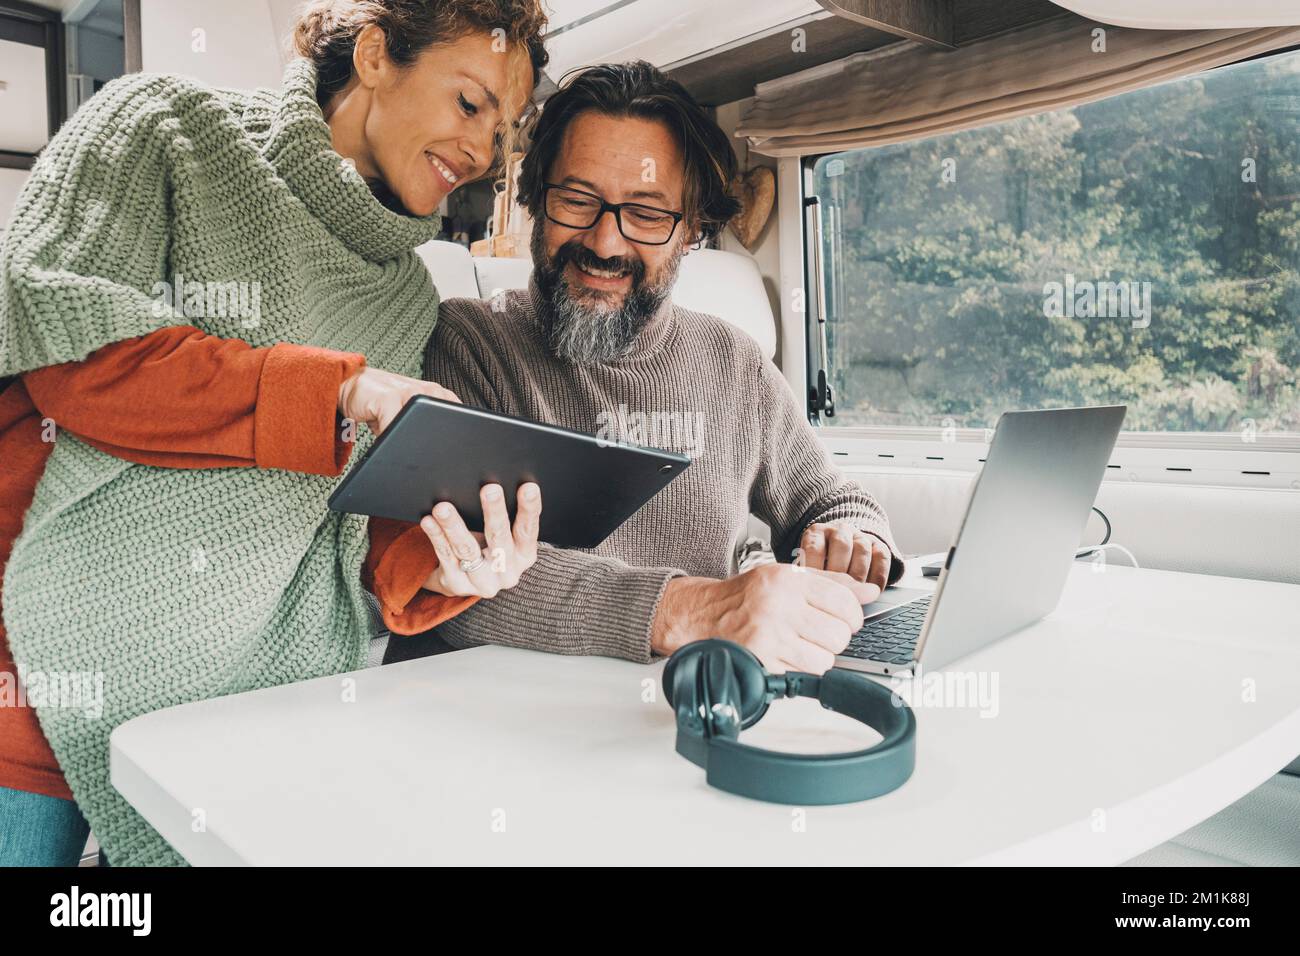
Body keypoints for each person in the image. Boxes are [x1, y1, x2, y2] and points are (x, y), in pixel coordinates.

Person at [0, 0, 548, 867]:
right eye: (470, 103)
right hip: (36, 672)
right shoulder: (165, 124)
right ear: (375, 56)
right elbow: (71, 343)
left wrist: (446, 566)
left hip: (242, 712)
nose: (483, 151)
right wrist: (340, 391)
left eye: (505, 131)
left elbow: (338, 523)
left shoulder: (407, 296)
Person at [382, 61, 904, 676]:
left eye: (648, 214)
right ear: (535, 207)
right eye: (577, 200)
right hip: (488, 719)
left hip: (677, 714)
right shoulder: (469, 342)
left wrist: (853, 535)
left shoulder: (734, 362)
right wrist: (691, 609)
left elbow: (830, 499)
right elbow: (453, 574)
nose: (605, 243)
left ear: (691, 234)